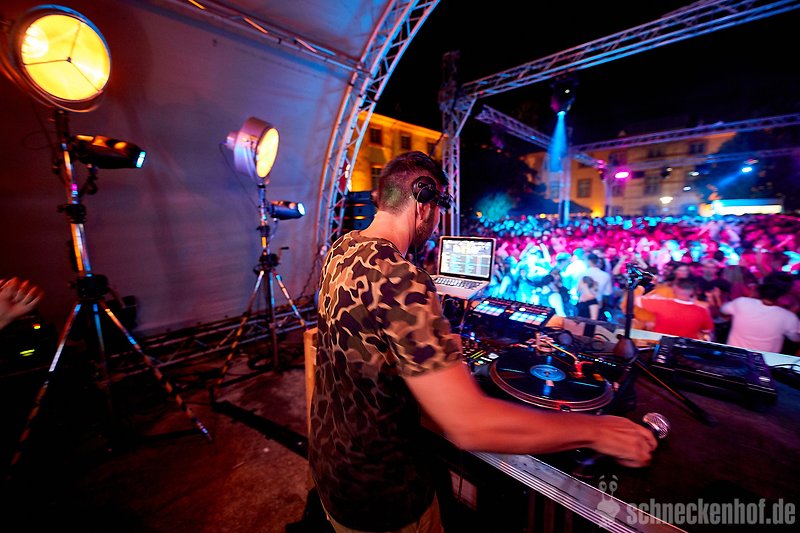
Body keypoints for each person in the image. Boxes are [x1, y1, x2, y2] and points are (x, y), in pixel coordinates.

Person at [308, 151, 656, 533]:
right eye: (438, 208)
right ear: (424, 202)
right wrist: (597, 430)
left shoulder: (342, 248)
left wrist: (435, 348)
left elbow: (363, 340)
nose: (436, 222)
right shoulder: (401, 277)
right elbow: (468, 425)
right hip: (382, 494)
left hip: (332, 465)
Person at [720, 272, 800, 354]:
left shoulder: (741, 302)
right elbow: (795, 338)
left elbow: (723, 310)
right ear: (785, 294)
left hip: (733, 355)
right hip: (764, 360)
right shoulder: (789, 317)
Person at [638, 278, 714, 341]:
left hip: (662, 346)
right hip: (687, 349)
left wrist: (642, 288)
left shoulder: (662, 303)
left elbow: (636, 300)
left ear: (674, 289)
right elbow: (706, 330)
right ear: (693, 291)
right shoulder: (702, 311)